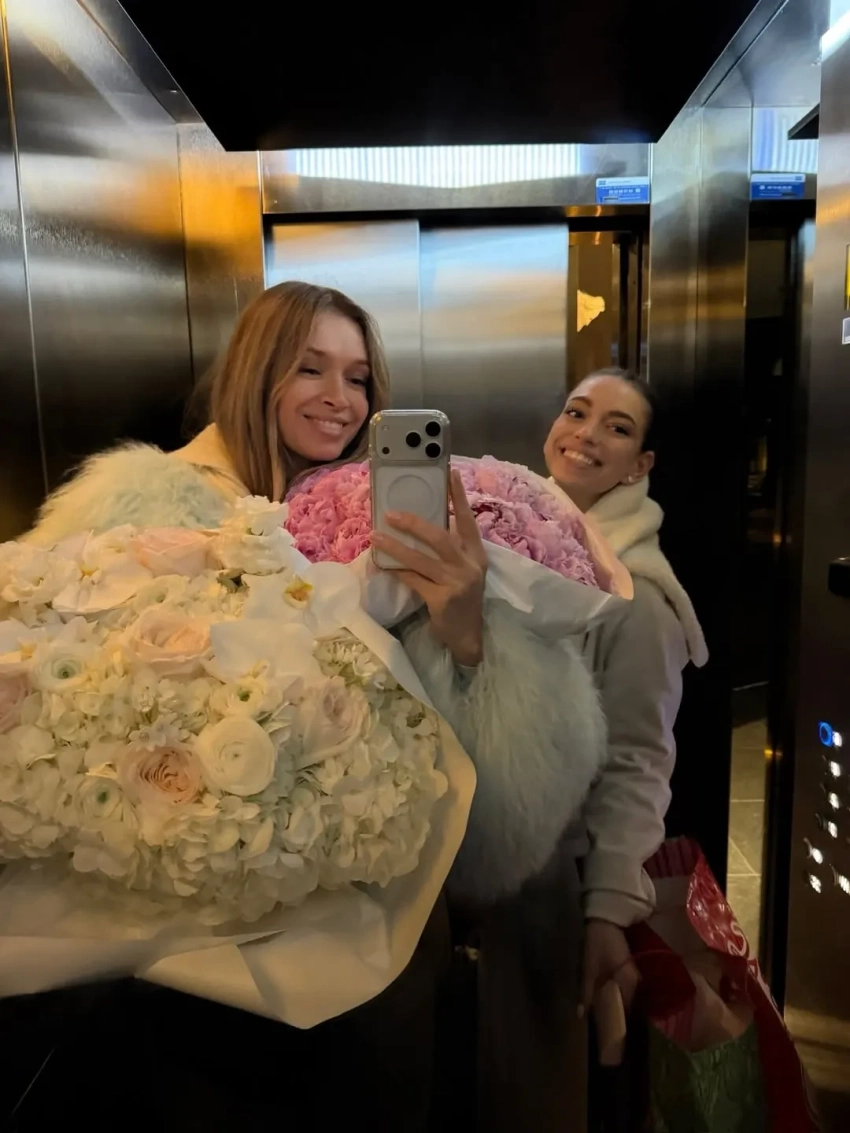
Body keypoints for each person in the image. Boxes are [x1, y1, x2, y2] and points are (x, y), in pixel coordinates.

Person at [23, 281, 607, 1131]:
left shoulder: (380, 516)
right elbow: (64, 712)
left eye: (359, 377)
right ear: (256, 371)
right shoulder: (137, 514)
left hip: (381, 956)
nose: (341, 398)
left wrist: (466, 636)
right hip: (198, 959)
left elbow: (505, 801)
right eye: (311, 368)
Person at [543, 366, 708, 1036]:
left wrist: (607, 909)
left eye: (617, 427)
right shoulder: (522, 544)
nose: (585, 434)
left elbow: (638, 758)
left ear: (641, 463)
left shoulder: (637, 598)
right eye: (576, 412)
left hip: (564, 875)